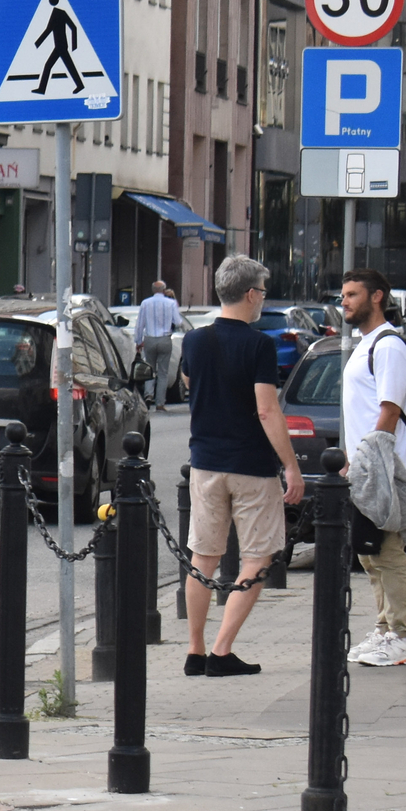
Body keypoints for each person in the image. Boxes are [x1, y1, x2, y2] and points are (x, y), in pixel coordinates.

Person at [180, 254, 305, 677]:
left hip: (205, 463)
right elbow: (267, 410)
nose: (262, 302)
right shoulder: (258, 345)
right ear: (251, 294)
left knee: (204, 557)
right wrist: (291, 466)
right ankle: (222, 650)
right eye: (263, 293)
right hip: (250, 466)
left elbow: (189, 384)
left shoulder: (195, 340)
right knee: (256, 558)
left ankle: (194, 650)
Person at [341, 267, 406, 667]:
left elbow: (390, 409)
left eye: (353, 294)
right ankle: (385, 628)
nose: (345, 302)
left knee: (388, 550)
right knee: (369, 552)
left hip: (382, 465)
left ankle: (403, 636)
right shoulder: (365, 343)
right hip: (364, 465)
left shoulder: (389, 346)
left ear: (377, 297)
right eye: (344, 295)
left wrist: (370, 459)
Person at [134, 279, 184, 411]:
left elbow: (140, 324)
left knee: (149, 369)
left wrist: (138, 341)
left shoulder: (145, 303)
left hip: (149, 339)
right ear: (164, 290)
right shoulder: (171, 303)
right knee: (163, 372)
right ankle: (160, 403)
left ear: (152, 290)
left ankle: (148, 395)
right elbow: (178, 322)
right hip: (164, 339)